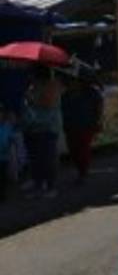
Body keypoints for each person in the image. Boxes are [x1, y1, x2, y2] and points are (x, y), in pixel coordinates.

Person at [22, 66, 63, 198]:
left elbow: (48, 103)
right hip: (31, 127)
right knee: (35, 159)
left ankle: (51, 186)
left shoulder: (52, 86)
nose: (30, 79)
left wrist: (31, 98)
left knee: (47, 159)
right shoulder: (33, 87)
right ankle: (38, 184)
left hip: (47, 128)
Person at [61, 76, 103, 184]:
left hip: (87, 124)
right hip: (70, 125)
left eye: (73, 81)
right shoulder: (66, 95)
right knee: (73, 150)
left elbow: (99, 106)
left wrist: (98, 120)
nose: (71, 83)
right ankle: (81, 170)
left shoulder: (91, 93)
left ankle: (83, 172)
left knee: (83, 149)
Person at [0, 108, 14, 202]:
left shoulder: (7, 126)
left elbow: (11, 139)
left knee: (2, 177)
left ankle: (2, 196)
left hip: (4, 157)